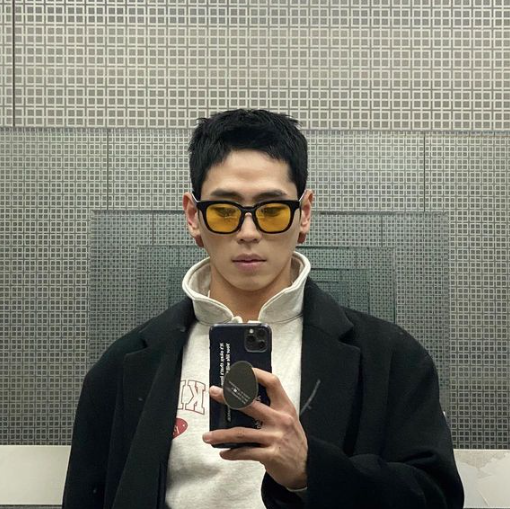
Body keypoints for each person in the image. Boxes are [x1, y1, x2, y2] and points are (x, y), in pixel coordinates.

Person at [63, 109, 464, 509]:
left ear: (304, 214)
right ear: (193, 217)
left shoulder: (390, 359)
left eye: (271, 211)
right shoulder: (124, 367)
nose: (248, 232)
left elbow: (436, 498)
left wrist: (310, 471)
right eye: (224, 211)